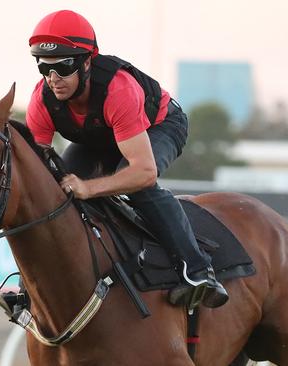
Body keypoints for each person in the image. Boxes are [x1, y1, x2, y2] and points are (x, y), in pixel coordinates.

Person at [25, 10, 228, 308]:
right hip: (100, 136)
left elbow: (143, 172)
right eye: (44, 68)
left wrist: (89, 188)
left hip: (159, 125)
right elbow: (36, 175)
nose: (53, 79)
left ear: (86, 62)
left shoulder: (118, 90)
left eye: (63, 67)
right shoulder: (41, 100)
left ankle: (198, 270)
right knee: (54, 192)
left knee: (135, 185)